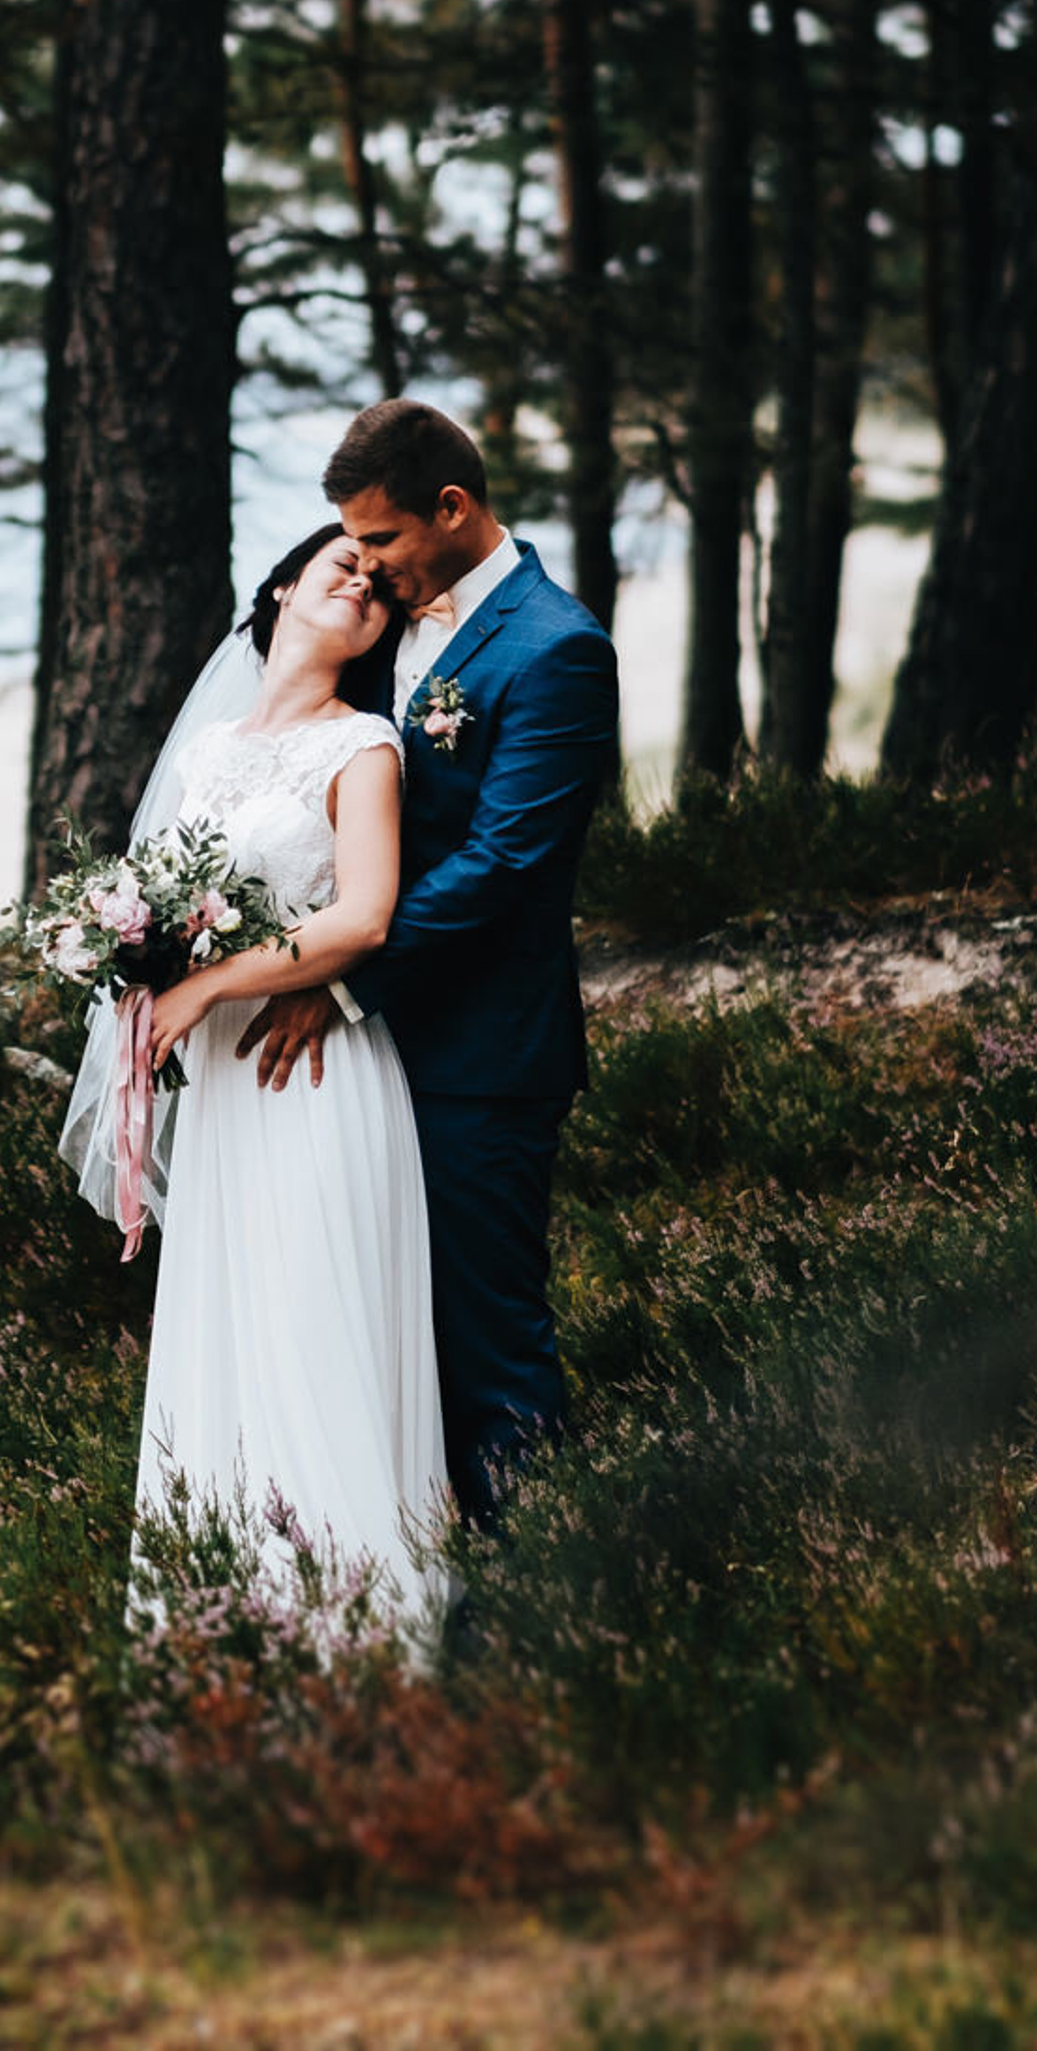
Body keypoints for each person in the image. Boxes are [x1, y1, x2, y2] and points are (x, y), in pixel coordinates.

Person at [235, 400, 620, 1530]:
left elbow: (505, 864)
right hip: (359, 1069)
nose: (369, 564)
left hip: (478, 1058)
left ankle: (536, 1590)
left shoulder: (556, 647)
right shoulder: (388, 627)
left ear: (452, 508)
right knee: (375, 1332)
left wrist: (339, 971)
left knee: (487, 1341)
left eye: (385, 539)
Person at [61, 524, 450, 1628]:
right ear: (282, 587)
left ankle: (364, 1623)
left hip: (310, 1071)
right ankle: (229, 1611)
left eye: (381, 587)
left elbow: (363, 914)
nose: (365, 587)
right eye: (345, 568)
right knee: (229, 1324)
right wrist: (135, 966)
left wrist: (206, 988)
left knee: (313, 1318)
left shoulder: (363, 745)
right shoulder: (204, 752)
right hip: (224, 1088)